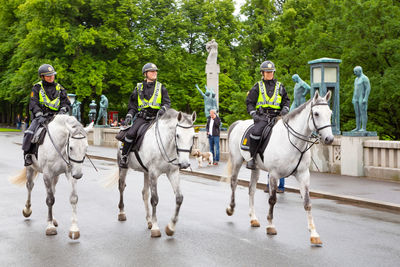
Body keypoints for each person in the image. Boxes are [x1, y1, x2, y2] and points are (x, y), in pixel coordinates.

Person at [119, 62, 171, 168]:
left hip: (157, 118)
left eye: (155, 71)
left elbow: (167, 103)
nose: (155, 73)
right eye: (152, 71)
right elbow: (133, 106)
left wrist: (163, 109)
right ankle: (124, 157)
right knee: (130, 134)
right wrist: (129, 115)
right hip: (142, 118)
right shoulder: (138, 88)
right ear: (145, 74)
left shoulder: (161, 87)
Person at [22, 64, 71, 166]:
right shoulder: (37, 88)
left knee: (72, 131)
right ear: (42, 77)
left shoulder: (60, 88)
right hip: (41, 117)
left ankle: (73, 156)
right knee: (30, 132)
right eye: (48, 76)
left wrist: (63, 110)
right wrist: (39, 114)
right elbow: (33, 102)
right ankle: (27, 154)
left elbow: (66, 103)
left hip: (57, 117)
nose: (51, 77)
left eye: (52, 75)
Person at [245, 60, 290, 170]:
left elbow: (286, 100)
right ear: (262, 73)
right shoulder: (257, 87)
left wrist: (285, 108)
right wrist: (253, 114)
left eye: (271, 72)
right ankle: (252, 158)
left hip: (278, 117)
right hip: (262, 117)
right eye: (267, 72)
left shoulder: (280, 86)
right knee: (256, 133)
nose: (269, 74)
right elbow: (250, 102)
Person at [351, 66, 371, 132]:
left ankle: (364, 128)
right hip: (356, 97)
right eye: (354, 72)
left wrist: (365, 98)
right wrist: (353, 98)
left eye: (356, 72)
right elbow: (355, 89)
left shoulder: (364, 78)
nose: (355, 73)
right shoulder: (356, 79)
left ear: (360, 71)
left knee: (363, 113)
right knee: (357, 113)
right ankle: (357, 127)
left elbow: (368, 88)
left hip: (361, 97)